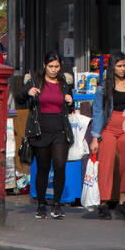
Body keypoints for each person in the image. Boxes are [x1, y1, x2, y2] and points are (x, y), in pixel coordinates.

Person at [23, 50, 75, 219]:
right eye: (51, 66)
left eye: (57, 66)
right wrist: (27, 93)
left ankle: (57, 204)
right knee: (43, 168)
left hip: (60, 130)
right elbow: (19, 98)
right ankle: (41, 204)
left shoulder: (64, 83)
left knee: (60, 166)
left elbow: (70, 108)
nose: (53, 70)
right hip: (40, 131)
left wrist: (70, 101)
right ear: (44, 66)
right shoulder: (35, 81)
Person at [91, 51, 125, 220]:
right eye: (119, 66)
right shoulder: (103, 86)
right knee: (106, 164)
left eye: (124, 65)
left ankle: (123, 204)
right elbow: (97, 111)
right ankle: (103, 204)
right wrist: (95, 137)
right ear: (112, 67)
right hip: (109, 128)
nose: (122, 69)